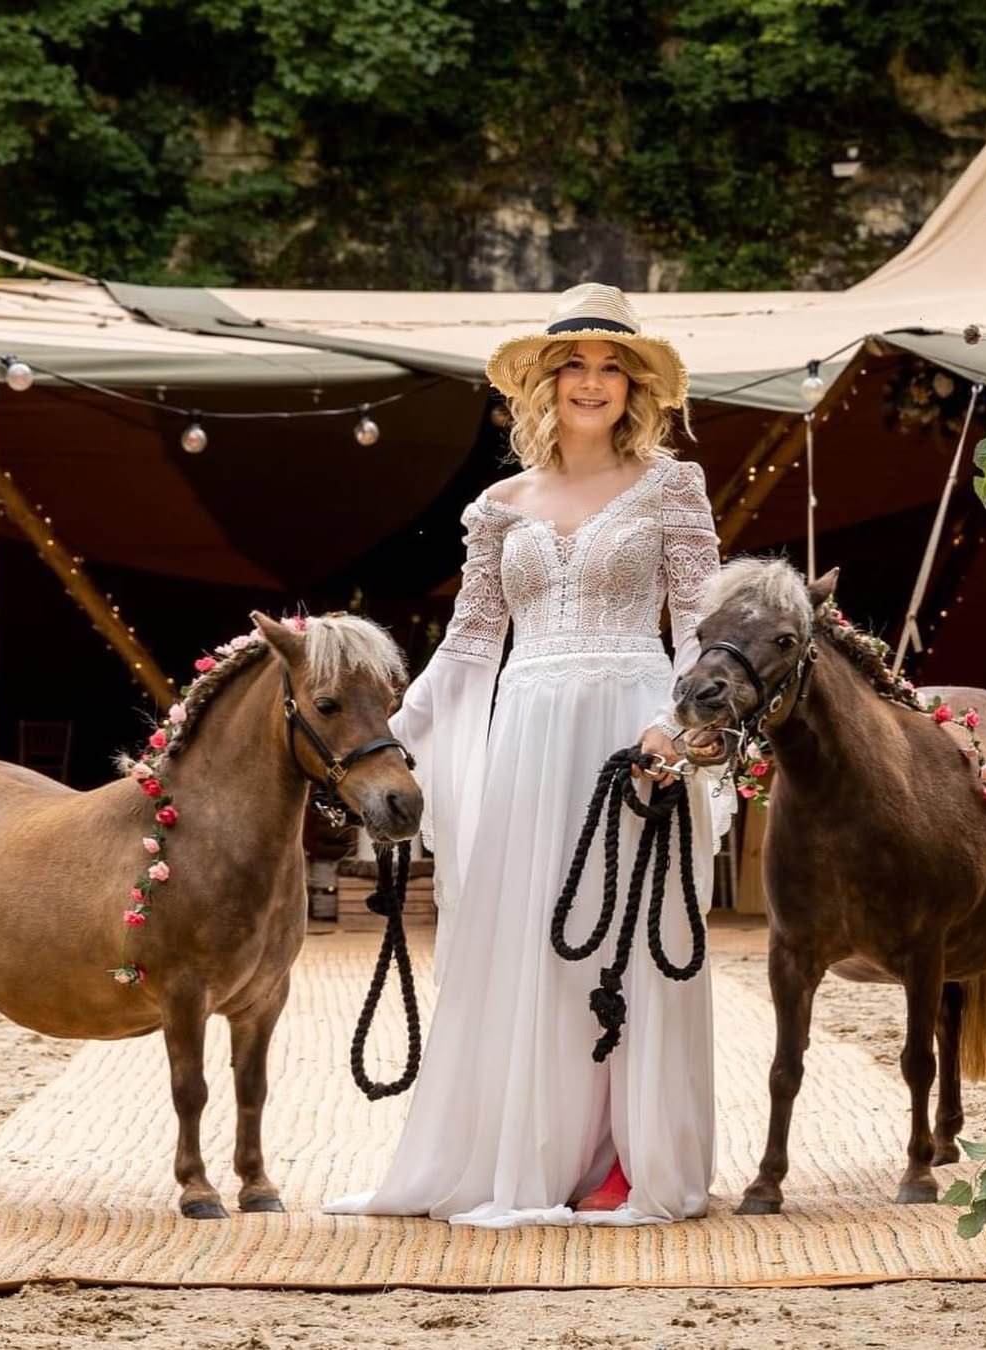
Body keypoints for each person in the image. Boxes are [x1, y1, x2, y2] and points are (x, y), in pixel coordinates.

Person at [323, 283, 732, 1228]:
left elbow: (700, 625)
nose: (593, 381)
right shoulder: (498, 505)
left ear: (636, 387)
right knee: (527, 943)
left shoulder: (672, 486)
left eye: (612, 366)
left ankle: (631, 1160)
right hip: (526, 736)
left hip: (634, 730)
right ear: (544, 384)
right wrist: (395, 740)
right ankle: (524, 1155)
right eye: (574, 365)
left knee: (627, 937)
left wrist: (681, 728)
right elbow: (469, 644)